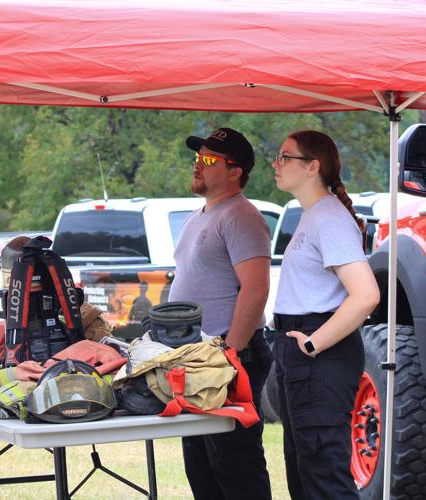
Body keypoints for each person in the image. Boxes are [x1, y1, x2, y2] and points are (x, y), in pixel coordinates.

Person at [270, 130, 379, 499]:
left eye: (285, 157)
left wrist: (315, 343)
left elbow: (365, 295)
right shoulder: (314, 215)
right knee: (305, 470)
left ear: (312, 166)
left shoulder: (329, 217)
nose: (276, 164)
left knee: (323, 475)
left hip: (317, 350)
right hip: (299, 349)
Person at [169, 127, 273, 500]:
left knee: (235, 466)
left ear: (235, 172)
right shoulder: (200, 215)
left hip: (229, 357)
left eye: (209, 159)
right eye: (198, 157)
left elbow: (257, 288)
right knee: (202, 465)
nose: (198, 164)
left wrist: (232, 352)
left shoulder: (241, 216)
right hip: (199, 360)